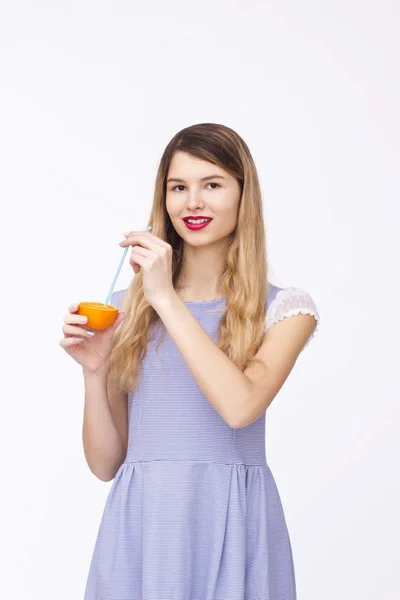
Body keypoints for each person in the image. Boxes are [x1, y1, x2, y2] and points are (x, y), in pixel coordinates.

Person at [60, 122, 320, 599]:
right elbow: (105, 463)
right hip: (140, 533)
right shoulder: (128, 309)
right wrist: (94, 373)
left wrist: (165, 299)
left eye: (213, 185)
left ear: (245, 197)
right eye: (178, 187)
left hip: (232, 528)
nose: (192, 203)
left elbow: (240, 407)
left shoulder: (285, 309)